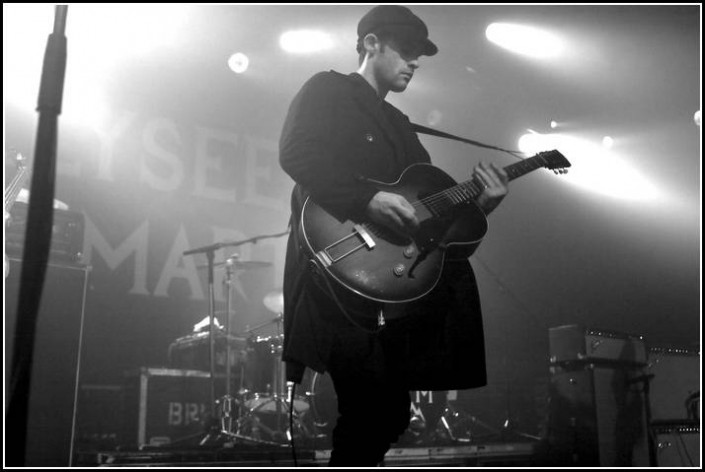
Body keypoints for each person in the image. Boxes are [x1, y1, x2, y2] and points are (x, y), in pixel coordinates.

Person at [279, 5, 509, 466]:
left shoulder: (401, 128)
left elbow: (430, 223)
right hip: (333, 270)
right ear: (370, 44)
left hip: (386, 288)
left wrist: (480, 209)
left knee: (388, 412)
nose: (415, 62)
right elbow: (296, 154)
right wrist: (364, 199)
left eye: (419, 54)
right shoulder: (327, 90)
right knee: (369, 405)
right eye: (406, 50)